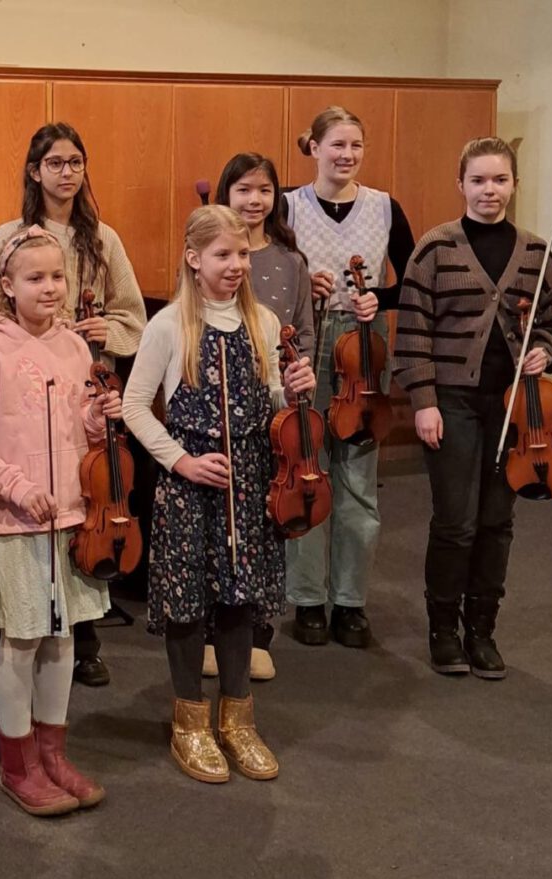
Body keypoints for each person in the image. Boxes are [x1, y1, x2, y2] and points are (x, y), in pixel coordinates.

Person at [122, 205, 315, 783]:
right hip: (190, 484)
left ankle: (237, 720)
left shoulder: (263, 322)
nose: (236, 265)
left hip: (249, 479)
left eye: (243, 254)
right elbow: (135, 406)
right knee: (187, 602)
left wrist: (293, 393)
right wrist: (180, 460)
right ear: (193, 259)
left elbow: (274, 402)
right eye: (223, 255)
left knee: (239, 596)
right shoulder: (169, 326)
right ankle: (189, 721)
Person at [394, 137, 552, 679]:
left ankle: (482, 631)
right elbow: (413, 334)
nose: (488, 190)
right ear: (461, 184)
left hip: (516, 410)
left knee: (497, 521)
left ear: (514, 184)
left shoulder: (536, 253)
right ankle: (443, 630)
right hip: (451, 403)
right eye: (478, 180)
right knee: (456, 522)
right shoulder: (434, 249)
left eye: (499, 180)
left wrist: (547, 349)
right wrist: (424, 402)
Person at [0, 225, 120, 814]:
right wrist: (18, 489)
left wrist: (101, 418)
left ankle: (53, 754)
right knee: (22, 639)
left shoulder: (76, 347)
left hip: (71, 516)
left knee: (62, 637)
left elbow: (83, 430)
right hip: (15, 520)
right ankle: (18, 763)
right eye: (35, 278)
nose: (49, 288)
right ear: (7, 285)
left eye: (56, 277)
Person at [0, 122, 146, 687]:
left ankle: (84, 635)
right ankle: (20, 625)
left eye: (76, 162)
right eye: (55, 162)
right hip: (24, 394)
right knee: (33, 507)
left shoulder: (103, 239)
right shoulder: (9, 236)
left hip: (82, 388)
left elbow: (133, 318)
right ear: (35, 171)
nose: (67, 172)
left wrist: (104, 330)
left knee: (86, 501)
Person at [282, 106, 415, 649]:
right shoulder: (287, 205)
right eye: (337, 144)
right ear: (314, 148)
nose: (347, 154)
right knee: (306, 469)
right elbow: (264, 275)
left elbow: (411, 282)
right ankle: (308, 598)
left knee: (359, 477)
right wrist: (301, 287)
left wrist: (377, 296)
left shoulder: (385, 207)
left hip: (362, 349)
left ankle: (351, 601)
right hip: (306, 343)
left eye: (356, 145)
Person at [203, 151, 315, 682]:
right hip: (220, 413)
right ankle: (212, 629)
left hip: (273, 414)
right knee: (218, 526)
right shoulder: (211, 253)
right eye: (244, 189)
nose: (254, 200)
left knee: (268, 521)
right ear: (227, 194)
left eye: (265, 190)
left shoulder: (291, 261)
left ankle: (258, 632)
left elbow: (304, 331)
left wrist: (295, 377)